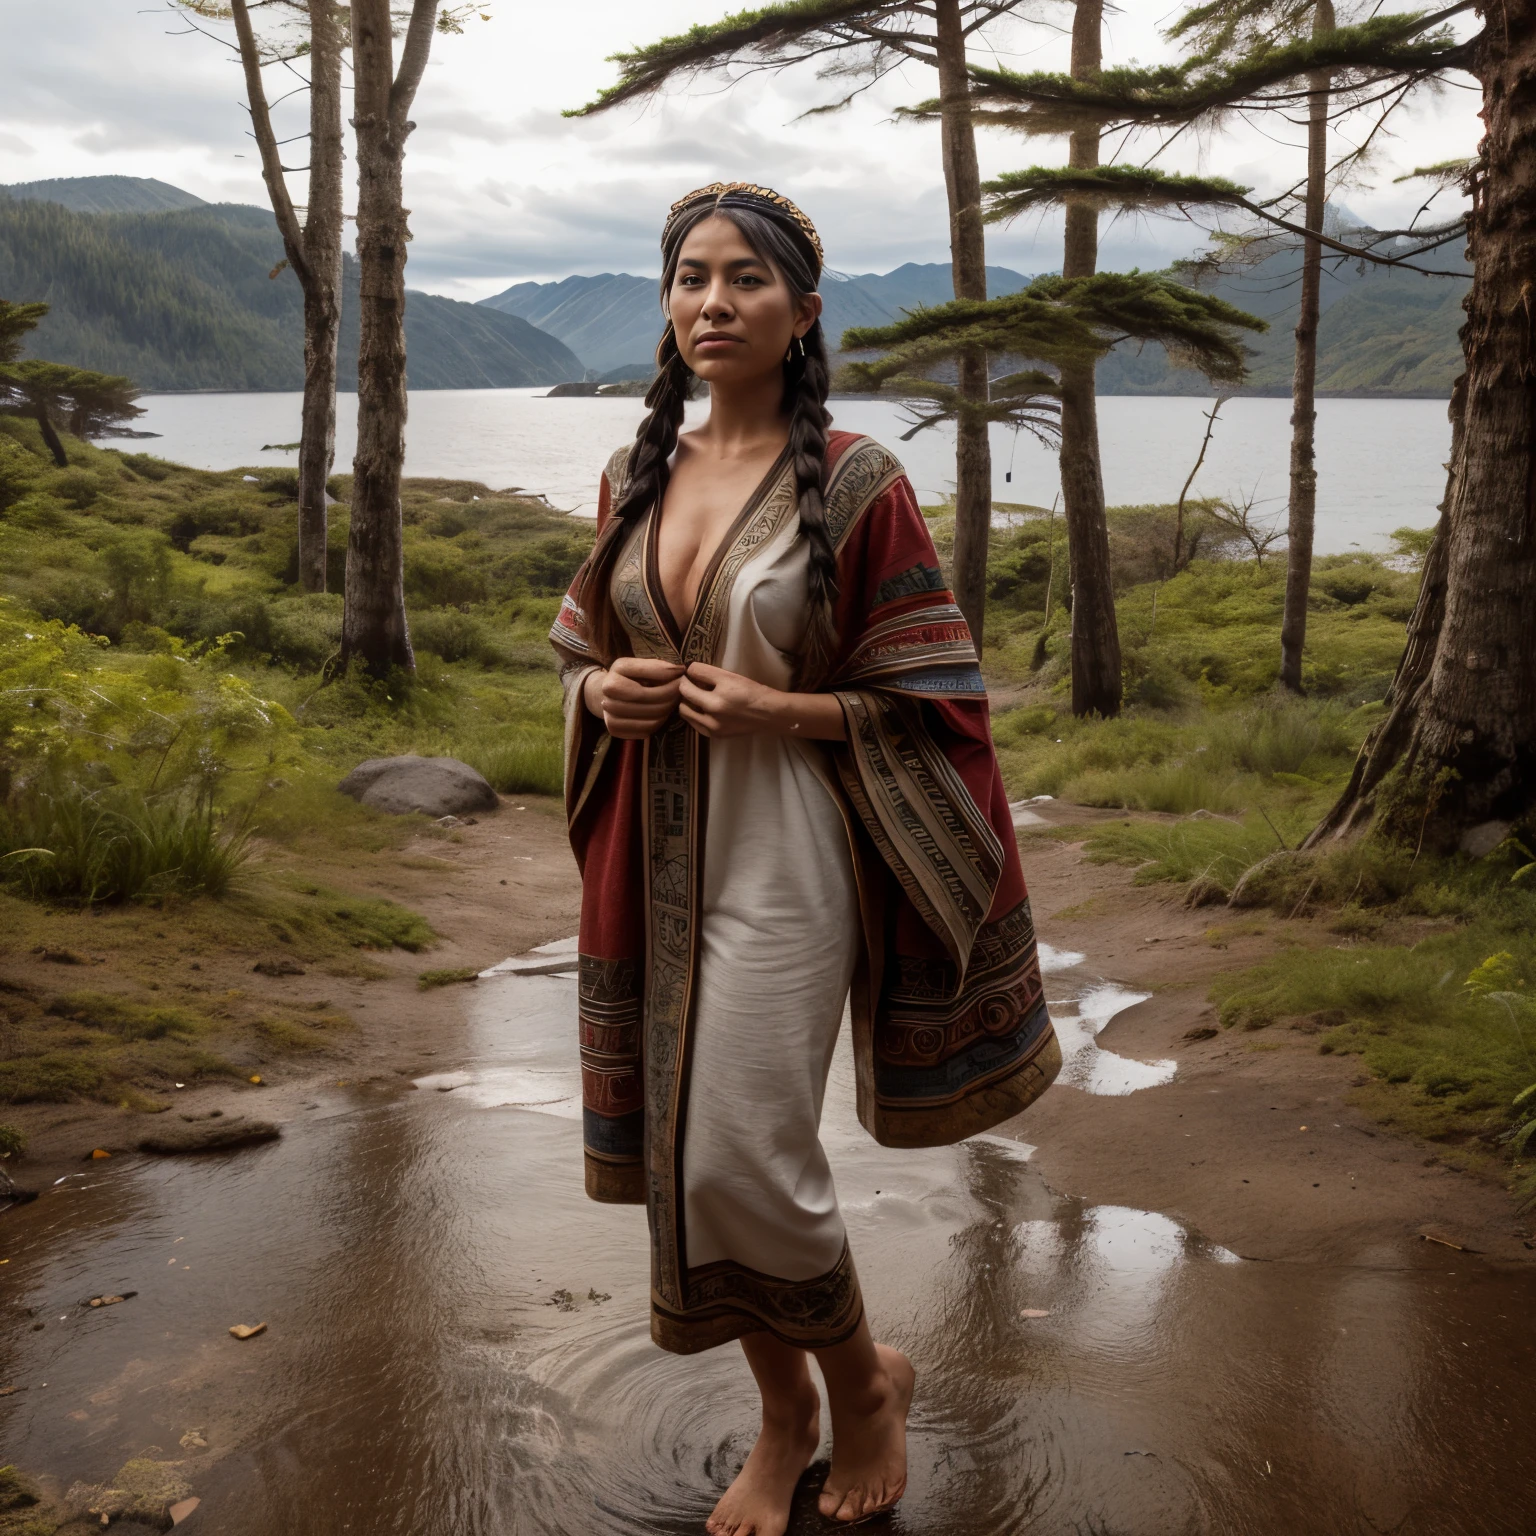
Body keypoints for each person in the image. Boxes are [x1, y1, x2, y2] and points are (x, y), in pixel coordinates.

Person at [550, 182, 1059, 1536]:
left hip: (791, 857)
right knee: (686, 1157)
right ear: (667, 307)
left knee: (744, 1155)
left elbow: (940, 694)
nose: (712, 303)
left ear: (803, 312)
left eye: (744, 282)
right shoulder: (634, 473)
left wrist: (785, 710)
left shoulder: (856, 479)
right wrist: (601, 700)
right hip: (652, 854)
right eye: (689, 279)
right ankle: (805, 1405)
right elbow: (584, 649)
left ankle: (855, 1395)